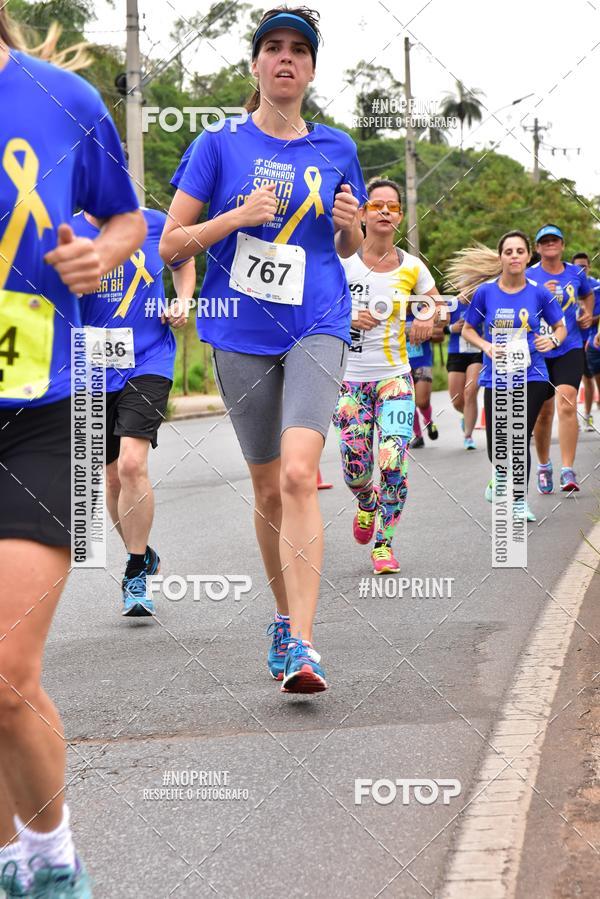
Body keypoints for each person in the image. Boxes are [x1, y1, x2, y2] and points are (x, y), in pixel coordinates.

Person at [160, 7, 365, 694]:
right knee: (268, 484)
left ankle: (306, 644)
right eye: (272, 48)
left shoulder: (337, 147)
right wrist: (237, 217)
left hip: (318, 320)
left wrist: (349, 230)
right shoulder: (219, 145)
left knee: (302, 473)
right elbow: (171, 243)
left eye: (298, 50)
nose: (285, 58)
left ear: (310, 69)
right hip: (239, 331)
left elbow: (348, 246)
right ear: (254, 64)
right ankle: (283, 618)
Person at [0, 11, 145, 898]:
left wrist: (100, 252)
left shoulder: (66, 98)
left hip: (47, 405)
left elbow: (129, 217)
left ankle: (52, 860)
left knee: (7, 672)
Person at [72, 208, 196, 617]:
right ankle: (141, 554)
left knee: (131, 465)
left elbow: (183, 257)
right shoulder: (63, 228)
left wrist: (181, 301)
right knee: (110, 476)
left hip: (148, 359)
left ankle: (134, 571)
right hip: (88, 364)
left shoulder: (154, 223)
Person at [333, 178, 437, 574]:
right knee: (355, 470)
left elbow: (431, 301)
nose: (383, 212)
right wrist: (346, 317)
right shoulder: (341, 262)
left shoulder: (412, 267)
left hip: (395, 378)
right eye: (375, 205)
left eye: (391, 207)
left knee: (393, 459)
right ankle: (366, 500)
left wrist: (425, 317)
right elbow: (312, 310)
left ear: (399, 217)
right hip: (349, 381)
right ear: (361, 213)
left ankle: (384, 544)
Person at [458, 231, 566, 522]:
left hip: (533, 373)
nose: (515, 256)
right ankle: (499, 477)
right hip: (497, 376)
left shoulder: (539, 292)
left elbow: (560, 327)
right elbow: (468, 329)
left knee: (518, 436)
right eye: (509, 251)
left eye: (520, 251)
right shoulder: (485, 292)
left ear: (528, 256)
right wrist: (486, 346)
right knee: (496, 445)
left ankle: (519, 501)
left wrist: (553, 341)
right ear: (501, 257)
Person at [526, 225, 593, 492]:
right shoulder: (529, 275)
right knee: (544, 413)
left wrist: (586, 312)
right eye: (545, 241)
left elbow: (587, 295)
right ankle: (544, 465)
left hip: (570, 346)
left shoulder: (576, 273)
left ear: (562, 245)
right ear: (538, 248)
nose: (550, 244)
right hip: (539, 350)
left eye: (555, 240)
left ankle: (568, 469)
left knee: (566, 403)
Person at [445, 298, 482, 450]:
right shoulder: (451, 304)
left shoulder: (483, 300)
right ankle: (466, 416)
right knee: (457, 400)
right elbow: (436, 329)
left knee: (470, 391)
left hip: (477, 352)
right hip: (457, 353)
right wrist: (451, 328)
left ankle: (468, 435)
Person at [571, 252, 600, 431]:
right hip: (571, 341)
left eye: (584, 266)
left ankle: (588, 416)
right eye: (577, 267)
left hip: (592, 341)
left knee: (590, 380)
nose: (581, 269)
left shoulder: (596, 287)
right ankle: (572, 418)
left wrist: (589, 318)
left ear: (589, 266)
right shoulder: (566, 286)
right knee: (571, 382)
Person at [406, 307, 440, 448]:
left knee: (422, 401)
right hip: (401, 364)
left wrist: (425, 332)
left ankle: (428, 421)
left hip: (422, 362)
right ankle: (417, 436)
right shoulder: (390, 313)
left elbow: (440, 335)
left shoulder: (422, 311)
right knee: (408, 402)